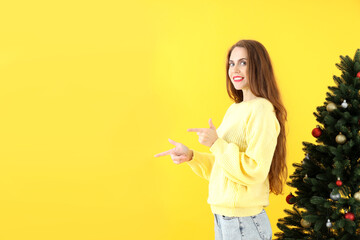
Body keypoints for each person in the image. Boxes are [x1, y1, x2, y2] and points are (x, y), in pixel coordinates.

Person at [154, 39, 287, 240]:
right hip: (224, 217)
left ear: (258, 66)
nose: (235, 69)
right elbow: (224, 168)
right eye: (231, 64)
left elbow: (255, 169)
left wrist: (216, 143)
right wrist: (191, 156)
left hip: (244, 221)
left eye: (243, 62)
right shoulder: (234, 109)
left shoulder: (262, 110)